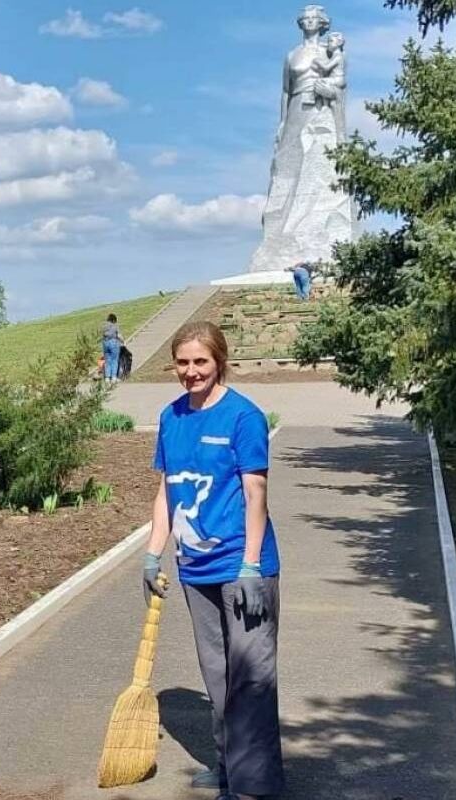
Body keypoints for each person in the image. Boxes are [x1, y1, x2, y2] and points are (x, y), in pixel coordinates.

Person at [142, 321, 283, 800]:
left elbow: (255, 491)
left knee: (252, 678)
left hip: (243, 566)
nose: (191, 371)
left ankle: (254, 786)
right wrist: (151, 553)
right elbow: (166, 489)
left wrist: (249, 565)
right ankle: (227, 768)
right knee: (218, 674)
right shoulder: (171, 417)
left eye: (200, 361)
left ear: (219, 360)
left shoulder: (243, 417)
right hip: (195, 569)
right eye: (182, 362)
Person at [102, 313, 123, 383]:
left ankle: (107, 378)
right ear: (114, 319)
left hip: (105, 343)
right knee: (114, 360)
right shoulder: (115, 326)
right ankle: (114, 377)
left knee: (107, 360)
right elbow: (119, 335)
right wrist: (123, 341)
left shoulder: (104, 326)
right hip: (113, 342)